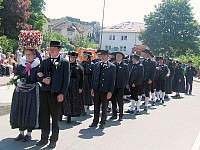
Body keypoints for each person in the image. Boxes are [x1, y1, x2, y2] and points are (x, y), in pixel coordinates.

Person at [37, 41, 70, 149]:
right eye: (50, 48)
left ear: (59, 50)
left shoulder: (64, 62)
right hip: (44, 93)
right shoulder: (45, 61)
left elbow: (66, 80)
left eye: (54, 49)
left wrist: (62, 93)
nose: (52, 50)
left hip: (56, 94)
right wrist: (42, 79)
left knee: (55, 118)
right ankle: (44, 138)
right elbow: (38, 74)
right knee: (44, 117)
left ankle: (54, 139)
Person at [10, 47, 40, 142]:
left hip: (31, 93)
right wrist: (17, 81)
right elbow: (16, 75)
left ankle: (29, 134)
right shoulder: (21, 65)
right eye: (26, 54)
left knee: (29, 111)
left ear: (34, 55)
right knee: (20, 110)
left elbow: (37, 79)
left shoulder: (37, 66)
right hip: (20, 92)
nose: (27, 56)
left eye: (29, 54)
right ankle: (21, 133)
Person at [90, 49, 116, 129]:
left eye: (105, 56)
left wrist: (110, 91)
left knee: (104, 107)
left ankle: (103, 122)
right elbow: (94, 77)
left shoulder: (112, 66)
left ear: (108, 57)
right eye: (102, 55)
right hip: (97, 89)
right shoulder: (96, 65)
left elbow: (112, 80)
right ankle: (95, 121)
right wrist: (92, 88)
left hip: (105, 90)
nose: (103, 57)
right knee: (96, 107)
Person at [62, 51, 84, 123]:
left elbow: (81, 78)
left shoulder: (79, 67)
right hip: (66, 84)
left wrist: (80, 87)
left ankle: (70, 116)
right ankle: (62, 114)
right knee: (65, 99)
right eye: (71, 57)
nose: (72, 59)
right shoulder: (65, 65)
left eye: (73, 57)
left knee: (73, 100)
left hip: (75, 86)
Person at [110, 51, 129, 121]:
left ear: (122, 57)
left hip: (121, 86)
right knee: (113, 100)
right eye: (117, 56)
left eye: (119, 56)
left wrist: (126, 84)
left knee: (120, 101)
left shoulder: (125, 65)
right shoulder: (112, 65)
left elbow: (127, 76)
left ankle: (121, 115)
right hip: (113, 86)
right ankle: (114, 114)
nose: (118, 57)